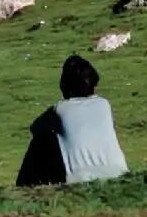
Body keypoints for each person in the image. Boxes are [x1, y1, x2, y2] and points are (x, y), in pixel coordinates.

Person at [17, 55, 129, 188]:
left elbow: (35, 128)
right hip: (118, 173)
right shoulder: (104, 104)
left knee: (41, 140)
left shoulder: (59, 109)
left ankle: (24, 188)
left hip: (79, 178)